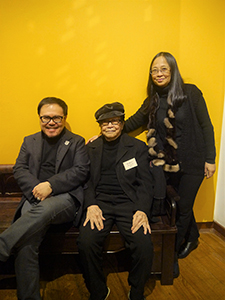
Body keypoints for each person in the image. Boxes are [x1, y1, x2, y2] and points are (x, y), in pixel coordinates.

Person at [123, 52, 216, 277]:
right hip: (166, 165)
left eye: (163, 69)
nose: (159, 74)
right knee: (177, 205)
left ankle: (170, 256)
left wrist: (210, 159)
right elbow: (133, 123)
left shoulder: (190, 93)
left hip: (193, 162)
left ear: (173, 71)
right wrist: (107, 132)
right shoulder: (152, 101)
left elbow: (206, 126)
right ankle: (192, 237)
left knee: (182, 209)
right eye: (154, 70)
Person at [0, 97, 89, 300]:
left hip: (64, 199)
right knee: (26, 242)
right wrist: (37, 189)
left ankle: (2, 245)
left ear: (64, 118)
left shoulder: (76, 141)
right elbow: (20, 169)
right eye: (46, 117)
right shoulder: (29, 140)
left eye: (56, 117)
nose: (51, 122)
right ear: (39, 118)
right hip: (33, 197)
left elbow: (81, 170)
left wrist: (51, 186)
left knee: (45, 209)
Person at [77, 102, 154, 300]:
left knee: (144, 244)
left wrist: (142, 210)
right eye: (105, 122)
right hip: (99, 203)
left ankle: (136, 290)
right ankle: (98, 290)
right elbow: (85, 181)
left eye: (114, 121)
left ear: (121, 123)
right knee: (86, 242)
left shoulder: (137, 147)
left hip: (128, 203)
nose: (110, 126)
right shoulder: (90, 148)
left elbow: (146, 183)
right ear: (100, 125)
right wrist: (91, 204)